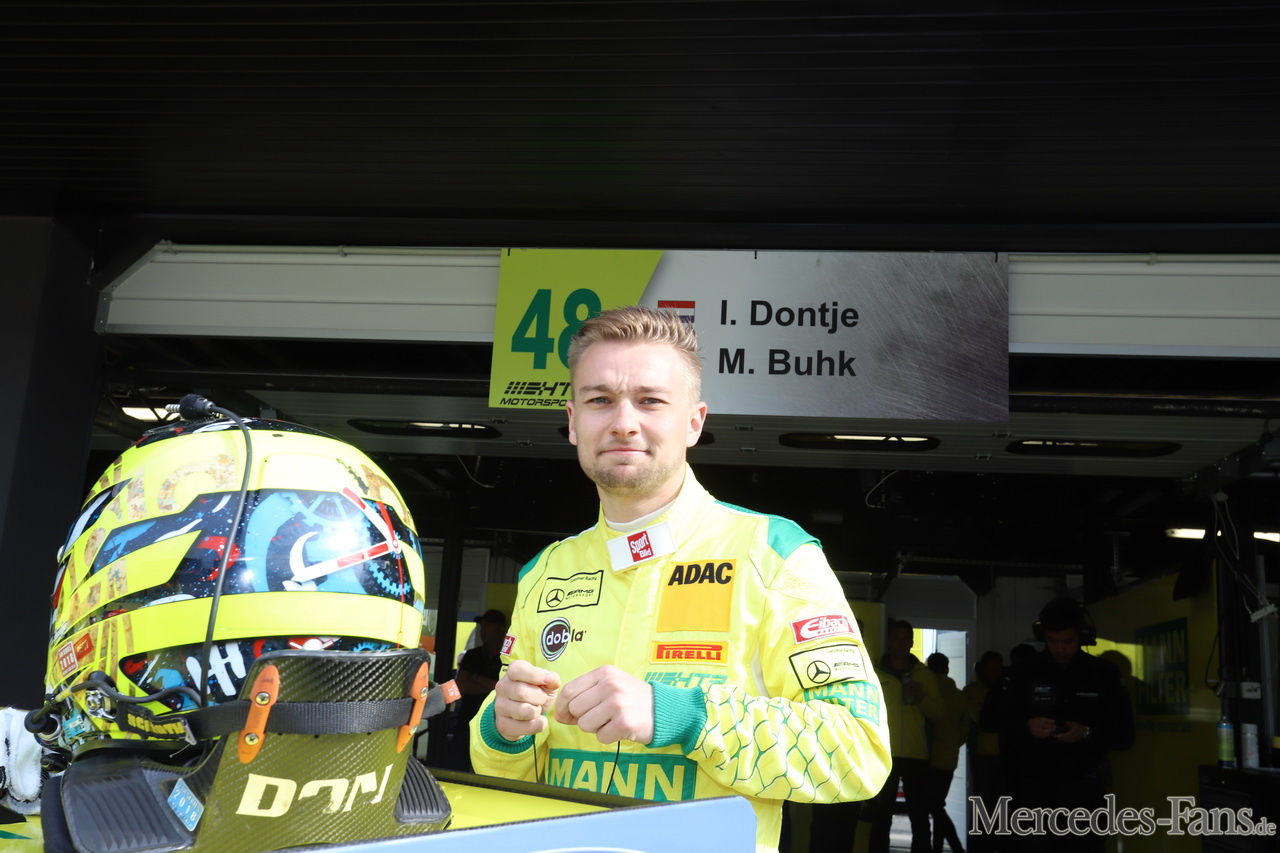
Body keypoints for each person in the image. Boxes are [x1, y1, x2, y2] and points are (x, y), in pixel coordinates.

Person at [469, 306, 891, 853]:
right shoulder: (545, 572)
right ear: (573, 422)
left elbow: (858, 752)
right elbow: (511, 776)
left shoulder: (773, 555)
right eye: (600, 400)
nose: (623, 422)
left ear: (694, 421)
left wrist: (683, 716)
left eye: (650, 401)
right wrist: (502, 732)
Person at [997, 597, 1134, 852]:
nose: (1060, 649)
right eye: (1052, 641)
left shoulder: (1104, 673)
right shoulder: (1023, 672)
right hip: (1034, 793)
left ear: (1081, 636)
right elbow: (1000, 726)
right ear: (1043, 637)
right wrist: (1027, 727)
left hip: (1084, 791)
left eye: (1068, 641)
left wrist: (1087, 733)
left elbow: (1125, 735)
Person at [867, 620, 944, 853]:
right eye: (896, 638)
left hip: (916, 754)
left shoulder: (924, 675)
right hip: (883, 753)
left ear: (911, 642)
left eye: (906, 639)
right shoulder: (874, 672)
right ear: (889, 641)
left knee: (920, 818)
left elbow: (939, 714)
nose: (901, 643)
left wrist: (921, 697)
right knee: (880, 817)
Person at [447, 608, 508, 770]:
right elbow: (461, 686)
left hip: (495, 725)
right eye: (482, 626)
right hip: (467, 720)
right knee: (457, 767)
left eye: (489, 625)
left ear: (501, 630)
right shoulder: (472, 655)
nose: (483, 630)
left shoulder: (508, 658)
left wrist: (476, 678)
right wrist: (494, 686)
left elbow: (507, 689)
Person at [961, 651, 1004, 853]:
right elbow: (975, 722)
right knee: (982, 802)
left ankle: (996, 845)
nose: (994, 673)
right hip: (981, 756)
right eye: (990, 669)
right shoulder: (971, 692)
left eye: (997, 669)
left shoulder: (1006, 691)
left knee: (1001, 804)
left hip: (1004, 757)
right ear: (982, 670)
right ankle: (978, 846)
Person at [925, 653, 967, 853]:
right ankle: (939, 848)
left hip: (926, 758)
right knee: (937, 806)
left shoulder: (927, 693)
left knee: (934, 807)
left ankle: (955, 848)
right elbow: (965, 730)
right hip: (948, 759)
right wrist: (952, 744)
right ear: (947, 669)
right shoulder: (959, 696)